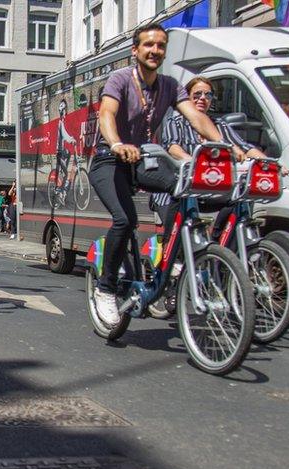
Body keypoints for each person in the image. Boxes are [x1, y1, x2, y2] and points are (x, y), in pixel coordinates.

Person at [89, 23, 232, 327]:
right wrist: (116, 143)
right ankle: (106, 288)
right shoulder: (120, 80)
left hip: (142, 159)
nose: (155, 50)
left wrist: (221, 146)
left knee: (185, 187)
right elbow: (107, 114)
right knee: (125, 220)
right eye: (148, 45)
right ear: (135, 50)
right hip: (109, 160)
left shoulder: (169, 85)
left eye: (161, 46)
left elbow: (196, 117)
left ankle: (172, 261)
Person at [153, 76, 284, 241]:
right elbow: (173, 148)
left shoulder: (219, 125)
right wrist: (193, 163)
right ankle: (170, 252)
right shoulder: (176, 122)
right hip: (180, 189)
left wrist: (273, 165)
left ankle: (219, 246)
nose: (203, 98)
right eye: (197, 94)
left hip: (208, 189)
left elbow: (244, 147)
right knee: (180, 234)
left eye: (208, 95)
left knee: (238, 199)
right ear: (186, 97)